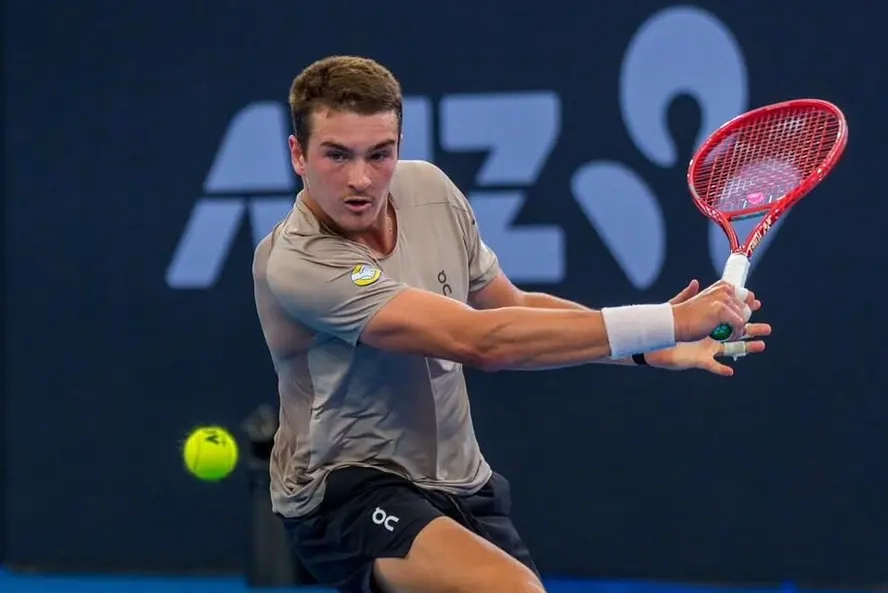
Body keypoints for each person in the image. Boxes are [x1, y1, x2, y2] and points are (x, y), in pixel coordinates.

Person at [252, 55, 770, 593]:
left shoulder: (429, 189)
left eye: (379, 154)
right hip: (345, 490)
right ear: (298, 155)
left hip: (460, 478)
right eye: (337, 155)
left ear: (399, 146)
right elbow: (482, 340)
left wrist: (656, 344)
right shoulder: (297, 261)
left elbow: (511, 305)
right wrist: (670, 319)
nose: (360, 179)